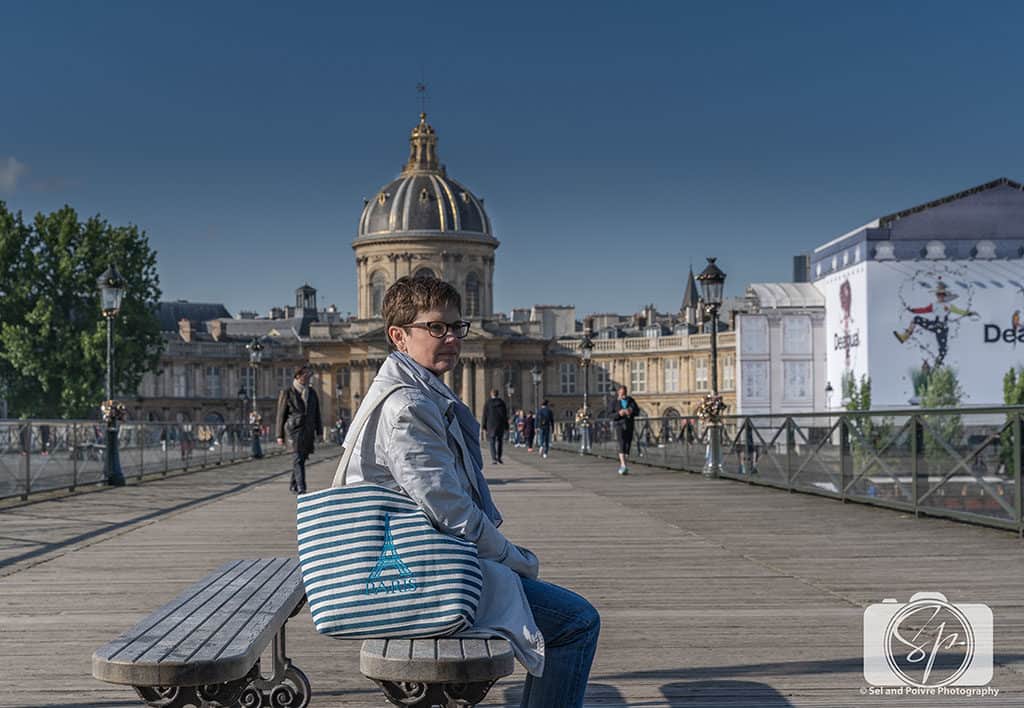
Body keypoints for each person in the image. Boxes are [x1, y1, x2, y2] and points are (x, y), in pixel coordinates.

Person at [338, 276, 599, 707]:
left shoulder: (413, 391)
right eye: (436, 327)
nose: (452, 338)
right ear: (398, 336)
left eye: (457, 327)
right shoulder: (408, 407)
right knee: (576, 622)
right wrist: (515, 558)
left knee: (553, 608)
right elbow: (453, 514)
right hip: (416, 576)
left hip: (418, 558)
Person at [276, 365, 323, 494]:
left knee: (301, 458)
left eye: (309, 375)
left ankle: (293, 484)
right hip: (293, 431)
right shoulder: (287, 392)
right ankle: (302, 488)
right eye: (305, 375)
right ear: (298, 376)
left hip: (307, 431)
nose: (308, 377)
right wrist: (279, 435)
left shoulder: (312, 393)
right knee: (298, 458)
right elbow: (281, 415)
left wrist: (319, 432)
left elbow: (316, 414)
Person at [612, 385, 639, 475]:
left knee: (628, 444)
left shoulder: (631, 401)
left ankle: (624, 465)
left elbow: (637, 411)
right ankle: (623, 465)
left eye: (624, 393)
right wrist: (619, 414)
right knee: (621, 443)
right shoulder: (614, 402)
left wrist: (630, 411)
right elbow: (610, 415)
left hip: (629, 425)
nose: (623, 395)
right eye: (622, 393)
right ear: (618, 393)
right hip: (619, 425)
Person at [482, 388, 509, 464]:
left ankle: (494, 458)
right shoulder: (502, 403)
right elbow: (505, 415)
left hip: (491, 425)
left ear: (491, 394)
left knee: (492, 442)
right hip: (500, 425)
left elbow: (485, 415)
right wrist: (506, 426)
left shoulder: (488, 403)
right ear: (498, 394)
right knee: (500, 442)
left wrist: (484, 426)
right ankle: (499, 457)